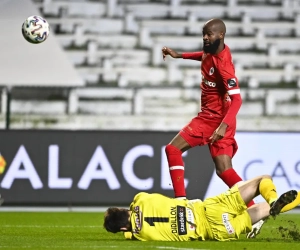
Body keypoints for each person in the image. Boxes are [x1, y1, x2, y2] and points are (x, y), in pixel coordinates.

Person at [161, 18, 250, 205]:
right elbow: (202, 55)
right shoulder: (212, 51)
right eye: (204, 34)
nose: (205, 37)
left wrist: (222, 127)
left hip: (213, 119)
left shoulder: (224, 66)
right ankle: (254, 208)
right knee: (224, 171)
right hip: (221, 118)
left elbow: (237, 99)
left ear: (221, 35)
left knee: (172, 149)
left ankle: (181, 203)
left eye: (209, 34)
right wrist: (179, 56)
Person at [103, 175, 300, 241]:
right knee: (263, 180)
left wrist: (128, 231)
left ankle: (270, 208)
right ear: (124, 209)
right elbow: (136, 202)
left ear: (122, 229)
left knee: (259, 211)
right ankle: (274, 200)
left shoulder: (140, 235)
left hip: (217, 231)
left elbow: (131, 231)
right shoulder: (141, 201)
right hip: (208, 210)